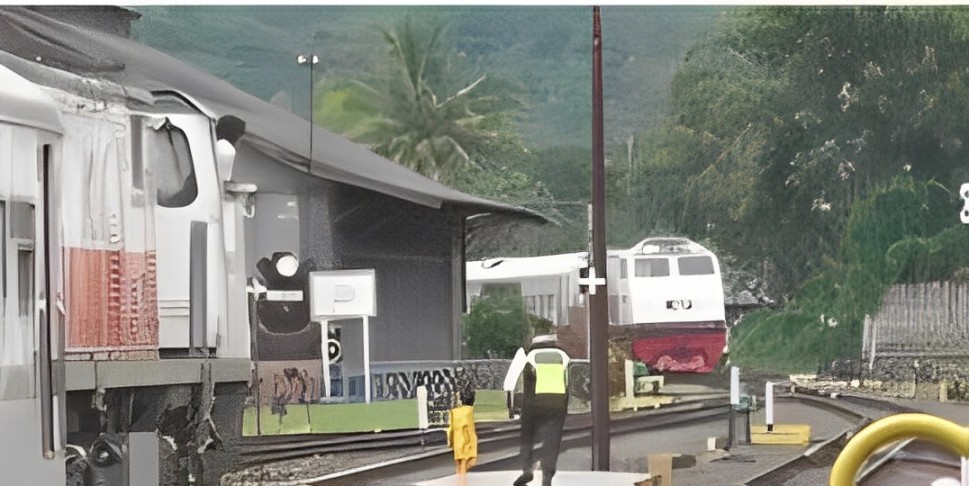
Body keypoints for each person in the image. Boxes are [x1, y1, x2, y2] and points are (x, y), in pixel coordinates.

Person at [503, 335, 571, 486]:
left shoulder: (526, 353)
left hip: (533, 403)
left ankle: (527, 471)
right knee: (552, 440)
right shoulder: (563, 354)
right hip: (557, 404)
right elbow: (569, 381)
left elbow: (509, 383)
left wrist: (511, 407)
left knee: (527, 436)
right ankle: (547, 476)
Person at [447, 382, 478, 486]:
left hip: (457, 442)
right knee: (464, 466)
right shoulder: (469, 412)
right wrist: (474, 450)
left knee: (459, 466)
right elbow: (471, 431)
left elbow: (450, 429)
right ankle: (462, 484)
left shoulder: (454, 412)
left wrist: (450, 442)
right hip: (466, 443)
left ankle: (459, 483)